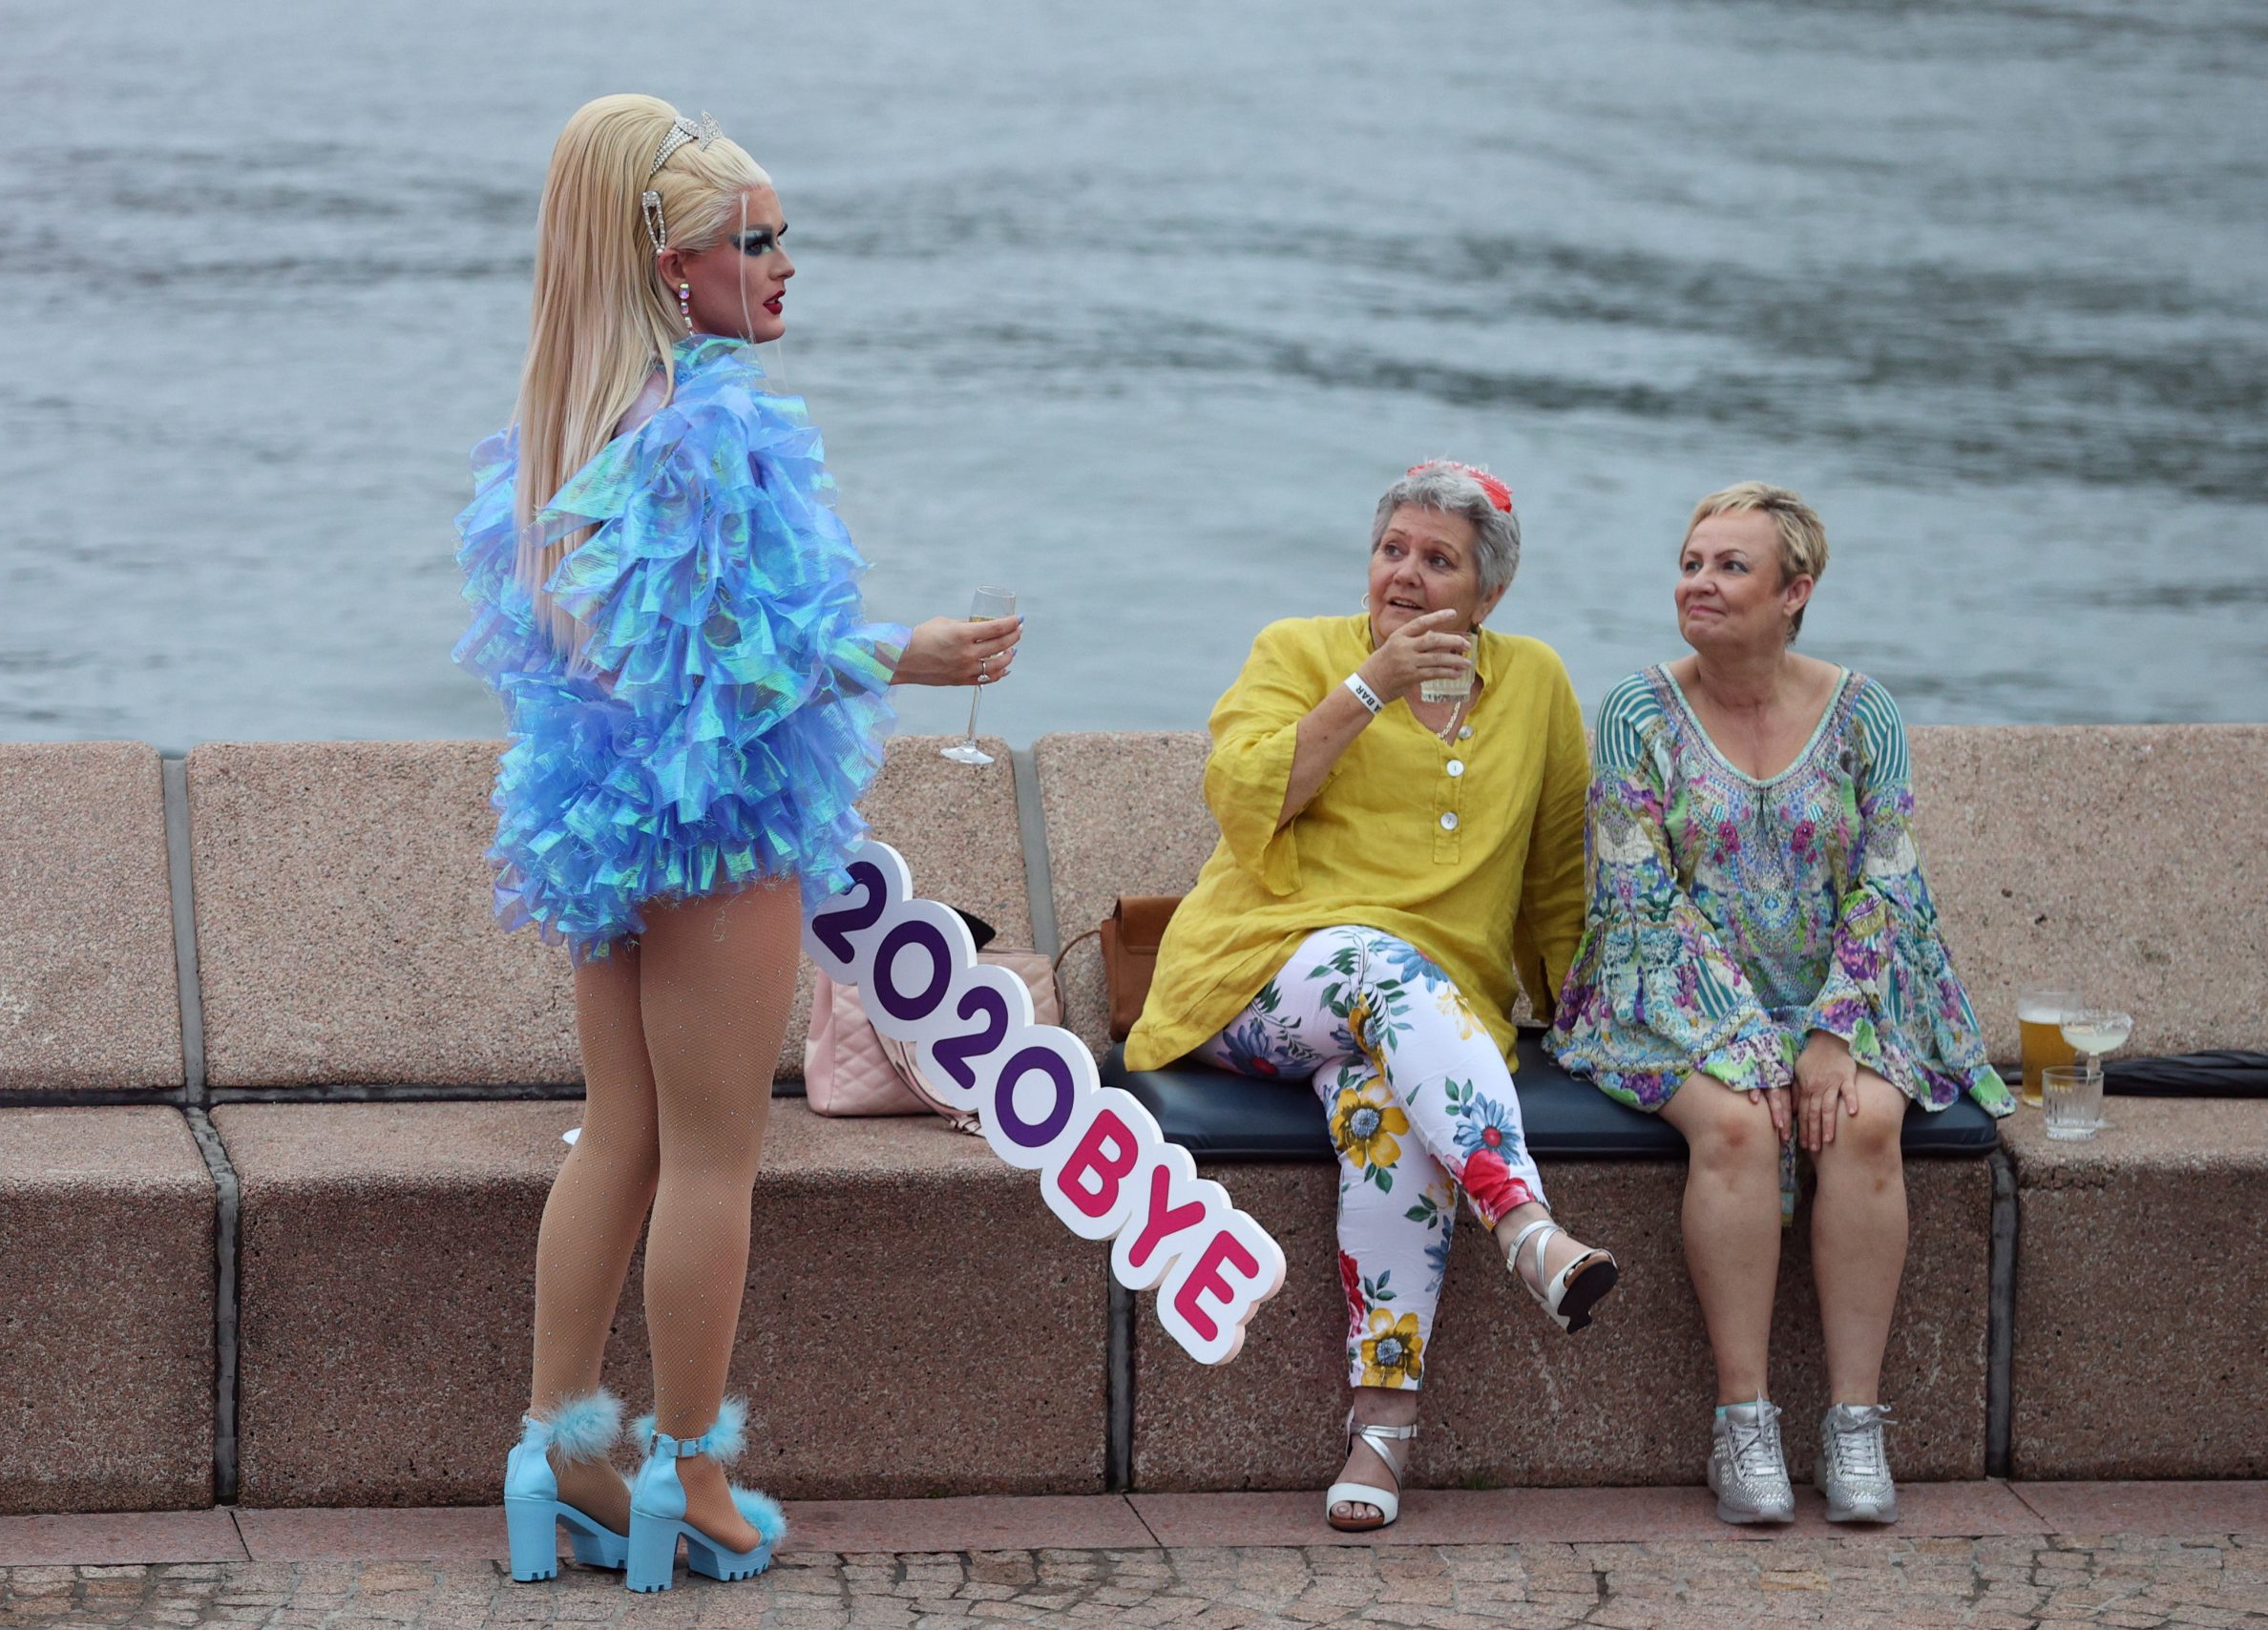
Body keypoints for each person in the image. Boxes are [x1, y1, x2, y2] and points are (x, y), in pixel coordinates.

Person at [455, 95, 1022, 1591]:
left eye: (781, 238)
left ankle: (558, 1450)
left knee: (618, 1135)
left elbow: (593, 657)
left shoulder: (565, 423)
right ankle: (685, 1482)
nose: (783, 267)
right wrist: (911, 653)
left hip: (598, 820)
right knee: (716, 1158)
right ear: (669, 261)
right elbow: (736, 666)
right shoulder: (709, 420)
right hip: (713, 833)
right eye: (752, 241)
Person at [1125, 461, 1620, 1533]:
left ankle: (1380, 1432)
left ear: (1485, 597)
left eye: (1437, 559)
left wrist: (1594, 1023)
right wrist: (1369, 688)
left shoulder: (1534, 684)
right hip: (1260, 977)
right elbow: (1243, 791)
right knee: (1375, 960)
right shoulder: (1298, 651)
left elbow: (1554, 885)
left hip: (1423, 1025)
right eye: (1393, 548)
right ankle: (1524, 1223)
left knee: (1387, 1120)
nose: (1404, 572)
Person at [1550, 481, 2010, 1528]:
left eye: (1729, 566)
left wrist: (1831, 1028)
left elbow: (1890, 885)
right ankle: (1742, 1419)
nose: (1697, 583)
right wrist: (1752, 1041)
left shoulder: (1864, 712)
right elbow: (1637, 901)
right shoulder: (1635, 714)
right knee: (1735, 1123)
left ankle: (1853, 1422)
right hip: (1666, 990)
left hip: (1852, 987)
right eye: (1690, 562)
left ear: (1794, 590)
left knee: (1865, 1122)